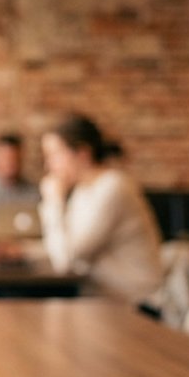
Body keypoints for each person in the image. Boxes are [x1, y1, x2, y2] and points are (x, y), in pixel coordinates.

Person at [38, 113, 163, 306]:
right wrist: (24, 251)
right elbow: (65, 244)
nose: (49, 165)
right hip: (102, 302)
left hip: (136, 307)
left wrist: (53, 201)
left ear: (82, 153)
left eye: (54, 154)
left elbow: (66, 261)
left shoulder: (113, 188)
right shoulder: (83, 191)